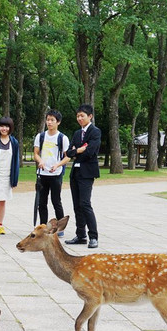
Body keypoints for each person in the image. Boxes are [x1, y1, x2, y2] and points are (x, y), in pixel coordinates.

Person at [64, 103, 101, 248]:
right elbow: (69, 152)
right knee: (77, 205)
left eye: (82, 116)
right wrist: (78, 150)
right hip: (75, 172)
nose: (79, 118)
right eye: (78, 116)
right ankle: (81, 235)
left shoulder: (95, 132)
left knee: (85, 204)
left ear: (90, 116)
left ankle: (93, 236)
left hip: (87, 172)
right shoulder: (77, 133)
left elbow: (91, 151)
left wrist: (77, 151)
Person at [33, 110, 70, 231]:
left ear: (58, 122)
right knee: (41, 202)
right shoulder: (41, 136)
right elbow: (36, 154)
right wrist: (40, 161)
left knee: (56, 201)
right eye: (48, 120)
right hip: (43, 174)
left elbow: (67, 156)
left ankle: (60, 228)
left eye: (52, 120)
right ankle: (43, 227)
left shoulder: (62, 138)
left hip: (56, 174)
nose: (49, 122)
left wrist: (58, 165)